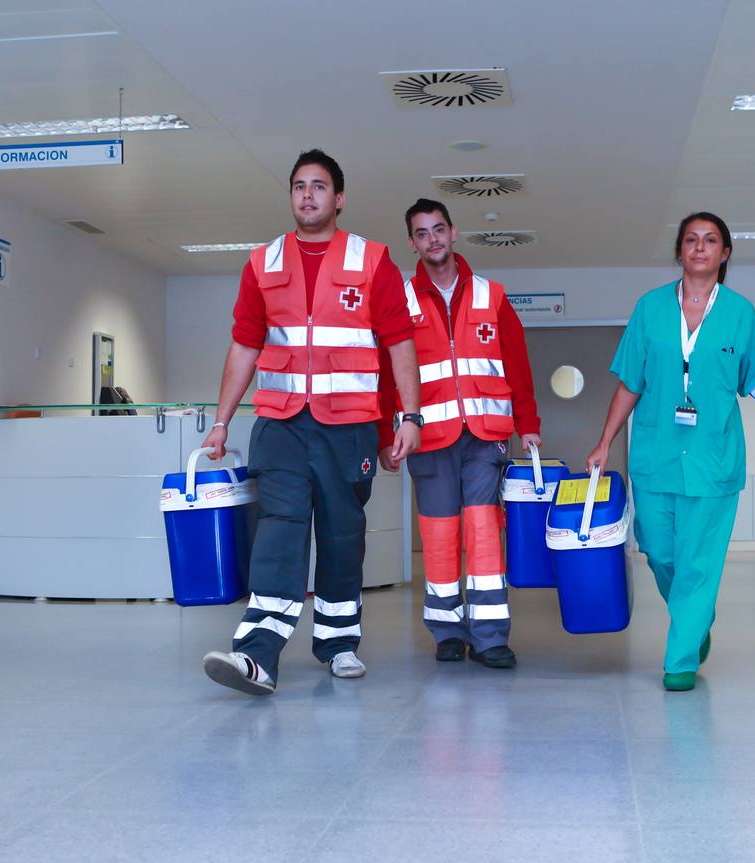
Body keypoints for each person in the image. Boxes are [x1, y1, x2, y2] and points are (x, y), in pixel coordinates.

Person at [200, 149, 422, 696]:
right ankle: (257, 656)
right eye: (299, 186)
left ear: (338, 198)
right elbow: (245, 345)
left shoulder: (373, 261)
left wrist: (410, 415)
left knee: (342, 536)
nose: (307, 195)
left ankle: (339, 643)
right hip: (280, 425)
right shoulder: (263, 262)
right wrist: (221, 421)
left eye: (319, 186)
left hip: (348, 427)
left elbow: (399, 344)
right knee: (280, 527)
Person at [584, 212, 755, 692]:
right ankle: (696, 618)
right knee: (658, 551)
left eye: (711, 240)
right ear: (679, 251)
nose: (700, 247)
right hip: (655, 457)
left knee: (699, 562)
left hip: (714, 461)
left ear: (725, 254)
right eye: (691, 240)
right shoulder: (649, 309)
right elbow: (629, 384)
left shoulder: (741, 314)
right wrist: (604, 442)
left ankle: (680, 660)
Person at [377, 198, 541, 668]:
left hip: (485, 435)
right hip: (428, 439)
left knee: (485, 533)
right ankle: (447, 631)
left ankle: (490, 637)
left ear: (454, 233)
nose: (433, 239)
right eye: (422, 233)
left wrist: (527, 425)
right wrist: (385, 434)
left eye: (439, 229)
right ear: (412, 242)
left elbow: (518, 365)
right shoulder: (401, 300)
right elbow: (388, 373)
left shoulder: (492, 295)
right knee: (439, 535)